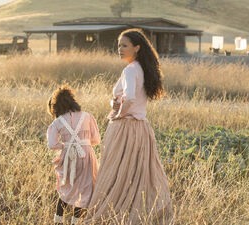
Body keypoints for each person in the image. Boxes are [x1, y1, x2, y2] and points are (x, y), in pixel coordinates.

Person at [85, 28, 173, 224]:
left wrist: (118, 114)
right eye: (118, 45)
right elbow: (126, 98)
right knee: (137, 172)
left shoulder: (130, 70)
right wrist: (114, 104)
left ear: (137, 47)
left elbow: (130, 98)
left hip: (125, 127)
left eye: (124, 45)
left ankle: (114, 212)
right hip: (141, 128)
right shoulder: (142, 68)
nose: (120, 49)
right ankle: (136, 212)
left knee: (115, 171)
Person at [47, 86, 101, 225]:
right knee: (84, 190)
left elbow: (52, 144)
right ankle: (75, 222)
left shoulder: (57, 122)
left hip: (68, 157)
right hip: (87, 156)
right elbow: (96, 140)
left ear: (57, 106)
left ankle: (57, 221)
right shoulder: (87, 116)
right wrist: (83, 143)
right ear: (73, 101)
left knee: (66, 189)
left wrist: (66, 145)